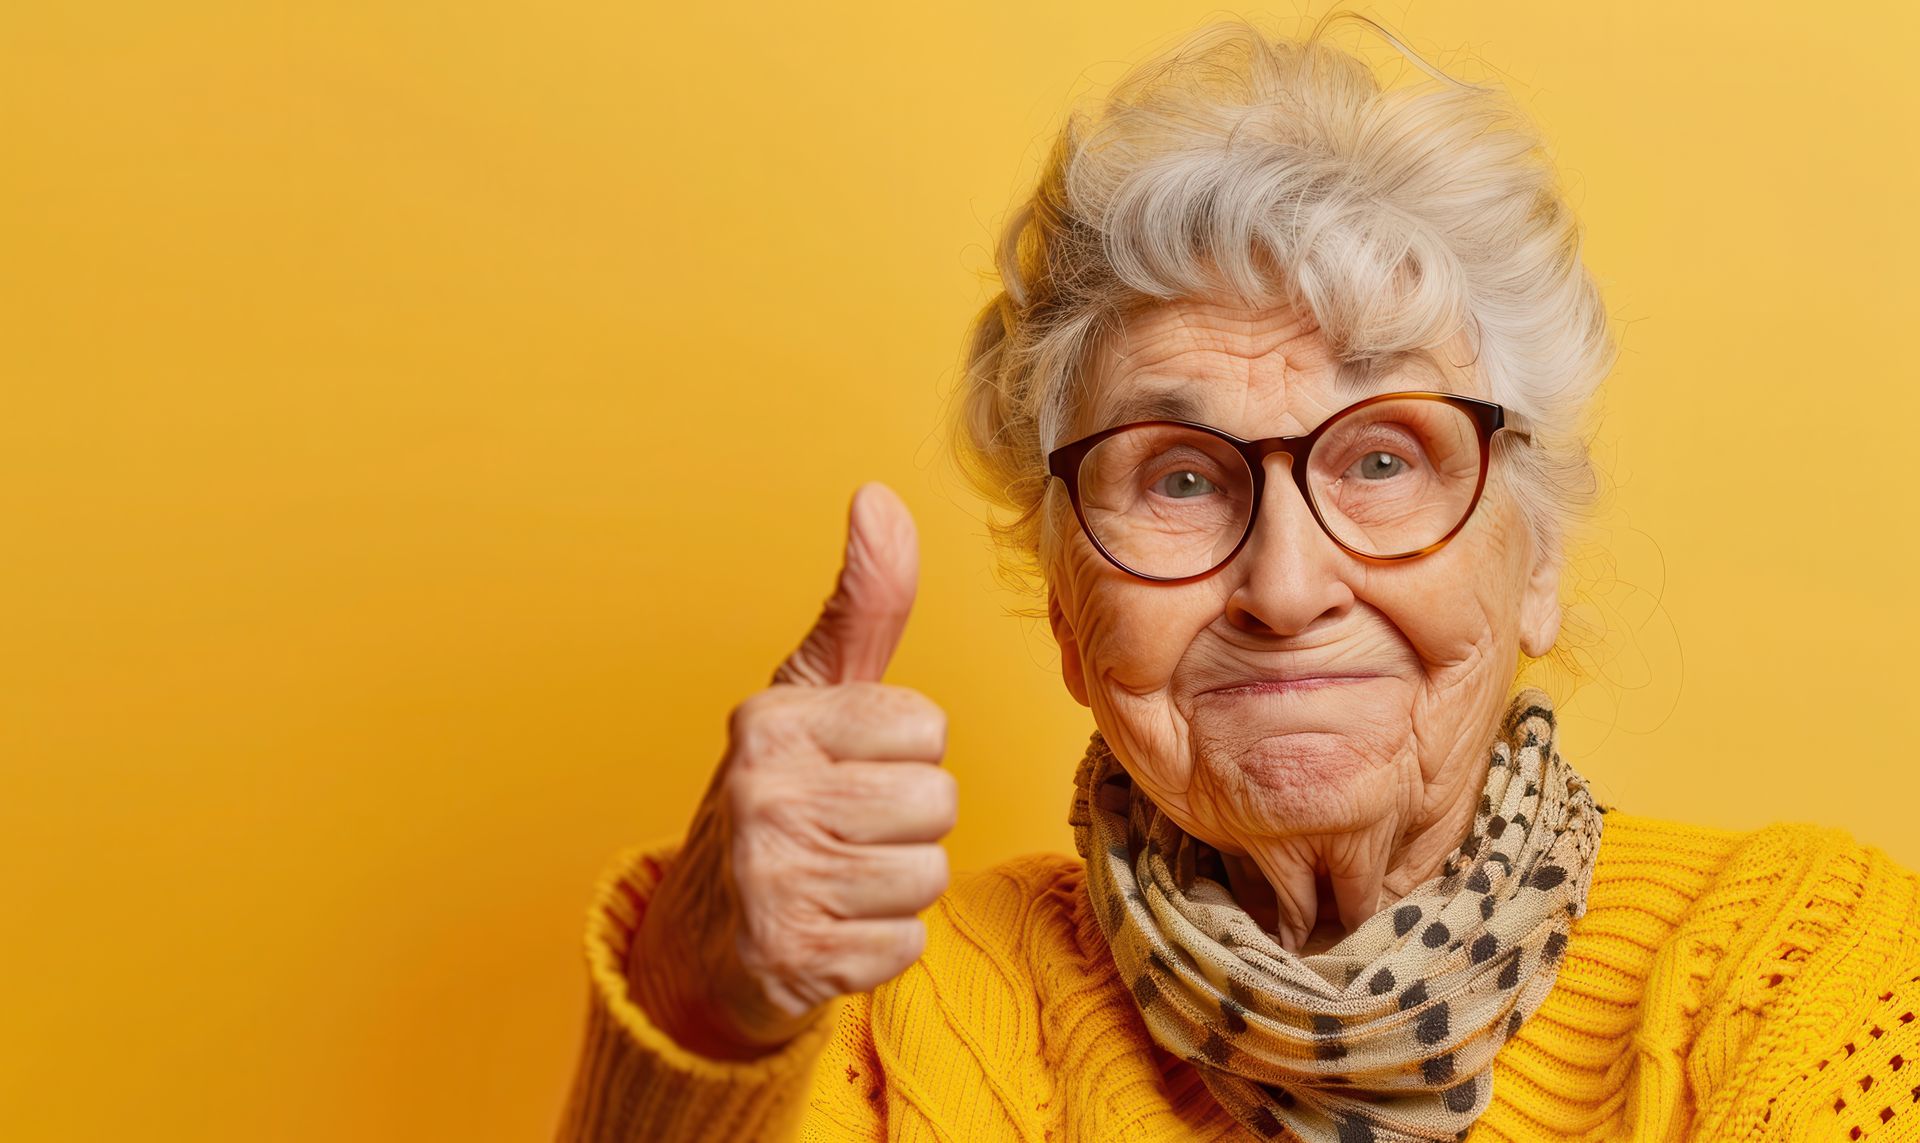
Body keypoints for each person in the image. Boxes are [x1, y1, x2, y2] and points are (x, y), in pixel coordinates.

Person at [553, 14, 1920, 1142]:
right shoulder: (892, 1029)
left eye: (1384, 459)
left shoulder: (1806, 977)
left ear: (1539, 556)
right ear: (1071, 611)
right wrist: (702, 1008)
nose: (1285, 582)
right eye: (1183, 478)